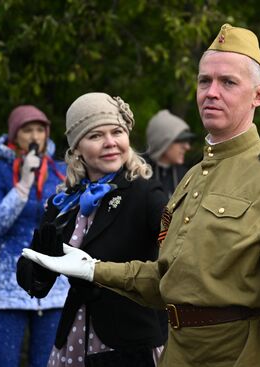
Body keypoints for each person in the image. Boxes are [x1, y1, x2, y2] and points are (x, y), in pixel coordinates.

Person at [20, 24, 260, 367]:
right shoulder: (192, 177)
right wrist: (94, 269)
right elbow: (167, 281)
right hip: (180, 353)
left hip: (241, 355)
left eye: (228, 82)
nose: (211, 92)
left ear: (259, 95)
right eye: (205, 81)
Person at [16, 92, 169, 366]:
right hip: (75, 339)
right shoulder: (64, 202)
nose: (110, 143)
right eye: (96, 136)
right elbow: (34, 284)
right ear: (76, 149)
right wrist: (41, 265)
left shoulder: (145, 193)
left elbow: (181, 247)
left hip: (131, 342)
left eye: (117, 132)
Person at [0, 105, 69, 367]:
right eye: (27, 130)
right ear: (14, 135)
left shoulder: (60, 170)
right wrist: (23, 184)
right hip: (8, 287)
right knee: (3, 361)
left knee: (48, 362)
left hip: (53, 284)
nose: (34, 136)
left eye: (40, 129)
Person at [143, 109, 195, 198]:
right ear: (163, 142)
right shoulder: (139, 173)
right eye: (181, 141)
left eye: (187, 141)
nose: (187, 147)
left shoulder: (186, 176)